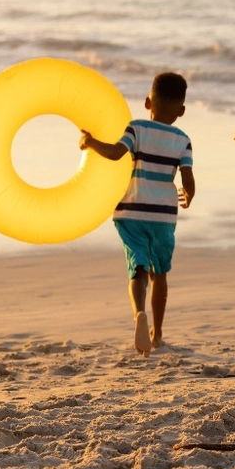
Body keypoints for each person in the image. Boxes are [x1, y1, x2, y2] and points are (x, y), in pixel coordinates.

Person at [80, 72, 195, 357]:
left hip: (131, 211)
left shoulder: (136, 128)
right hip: (163, 216)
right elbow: (188, 177)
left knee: (138, 268)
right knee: (160, 273)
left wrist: (90, 142)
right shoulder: (183, 140)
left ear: (148, 102)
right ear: (181, 111)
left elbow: (115, 154)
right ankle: (157, 334)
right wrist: (188, 195)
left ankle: (138, 314)